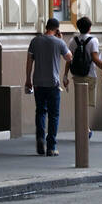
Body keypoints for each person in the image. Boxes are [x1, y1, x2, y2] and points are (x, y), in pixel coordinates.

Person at [25, 18, 72, 156]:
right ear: (57, 29)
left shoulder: (35, 41)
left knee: (40, 111)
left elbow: (29, 62)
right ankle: (51, 147)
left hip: (38, 83)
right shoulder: (59, 42)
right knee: (54, 115)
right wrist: (61, 40)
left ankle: (40, 137)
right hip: (53, 83)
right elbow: (70, 58)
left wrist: (28, 79)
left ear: (46, 27)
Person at [63, 16, 102, 140]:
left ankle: (83, 128)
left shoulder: (73, 40)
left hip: (76, 75)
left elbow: (69, 59)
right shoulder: (93, 41)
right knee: (87, 104)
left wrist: (66, 75)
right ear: (90, 28)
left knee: (79, 103)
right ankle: (85, 129)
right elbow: (95, 58)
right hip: (89, 75)